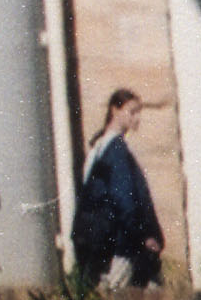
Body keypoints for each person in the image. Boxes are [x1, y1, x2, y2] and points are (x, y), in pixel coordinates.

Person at [70, 86, 165, 289]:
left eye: (139, 112)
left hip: (101, 247)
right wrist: (143, 236)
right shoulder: (116, 151)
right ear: (115, 110)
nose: (137, 118)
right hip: (120, 248)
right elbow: (124, 200)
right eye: (132, 112)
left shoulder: (99, 147)